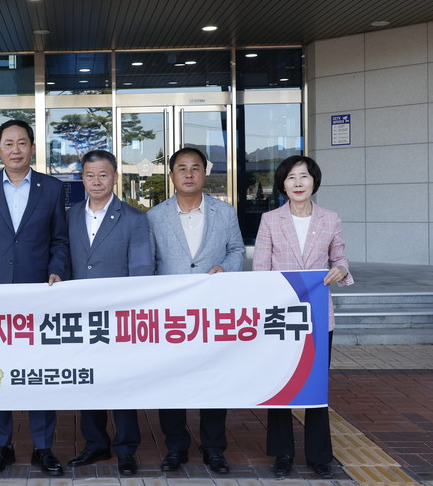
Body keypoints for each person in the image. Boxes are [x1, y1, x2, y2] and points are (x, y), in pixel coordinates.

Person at [0, 119, 70, 476]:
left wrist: (57, 270)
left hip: (40, 290)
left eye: (22, 143)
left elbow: (60, 239)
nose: (16, 149)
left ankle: (43, 447)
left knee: (39, 369)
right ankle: (1, 446)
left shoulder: (52, 188)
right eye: (9, 143)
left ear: (32, 148)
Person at [253, 155, 353, 480]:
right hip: (281, 316)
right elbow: (260, 270)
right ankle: (282, 453)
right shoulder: (270, 220)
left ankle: (319, 455)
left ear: (314, 182)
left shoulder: (330, 219)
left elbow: (339, 257)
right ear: (283, 184)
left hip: (318, 315)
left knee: (316, 386)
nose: (298, 183)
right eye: (291, 177)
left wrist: (340, 270)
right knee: (281, 383)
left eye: (304, 177)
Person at [147, 147, 245, 475]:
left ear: (205, 172)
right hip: (170, 315)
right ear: (172, 175)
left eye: (195, 168)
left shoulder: (224, 212)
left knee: (214, 378)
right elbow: (149, 262)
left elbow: (237, 250)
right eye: (182, 168)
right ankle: (176, 446)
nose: (188, 174)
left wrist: (225, 268)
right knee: (170, 380)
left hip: (212, 312)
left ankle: (214, 448)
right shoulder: (154, 216)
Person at [65, 150, 152, 476]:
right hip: (80, 316)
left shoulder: (133, 218)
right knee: (88, 379)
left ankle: (126, 448)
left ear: (115, 177)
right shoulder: (70, 215)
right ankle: (95, 443)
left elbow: (141, 270)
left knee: (121, 381)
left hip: (118, 318)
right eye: (90, 175)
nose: (96, 181)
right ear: (82, 178)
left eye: (103, 175)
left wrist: (130, 313)